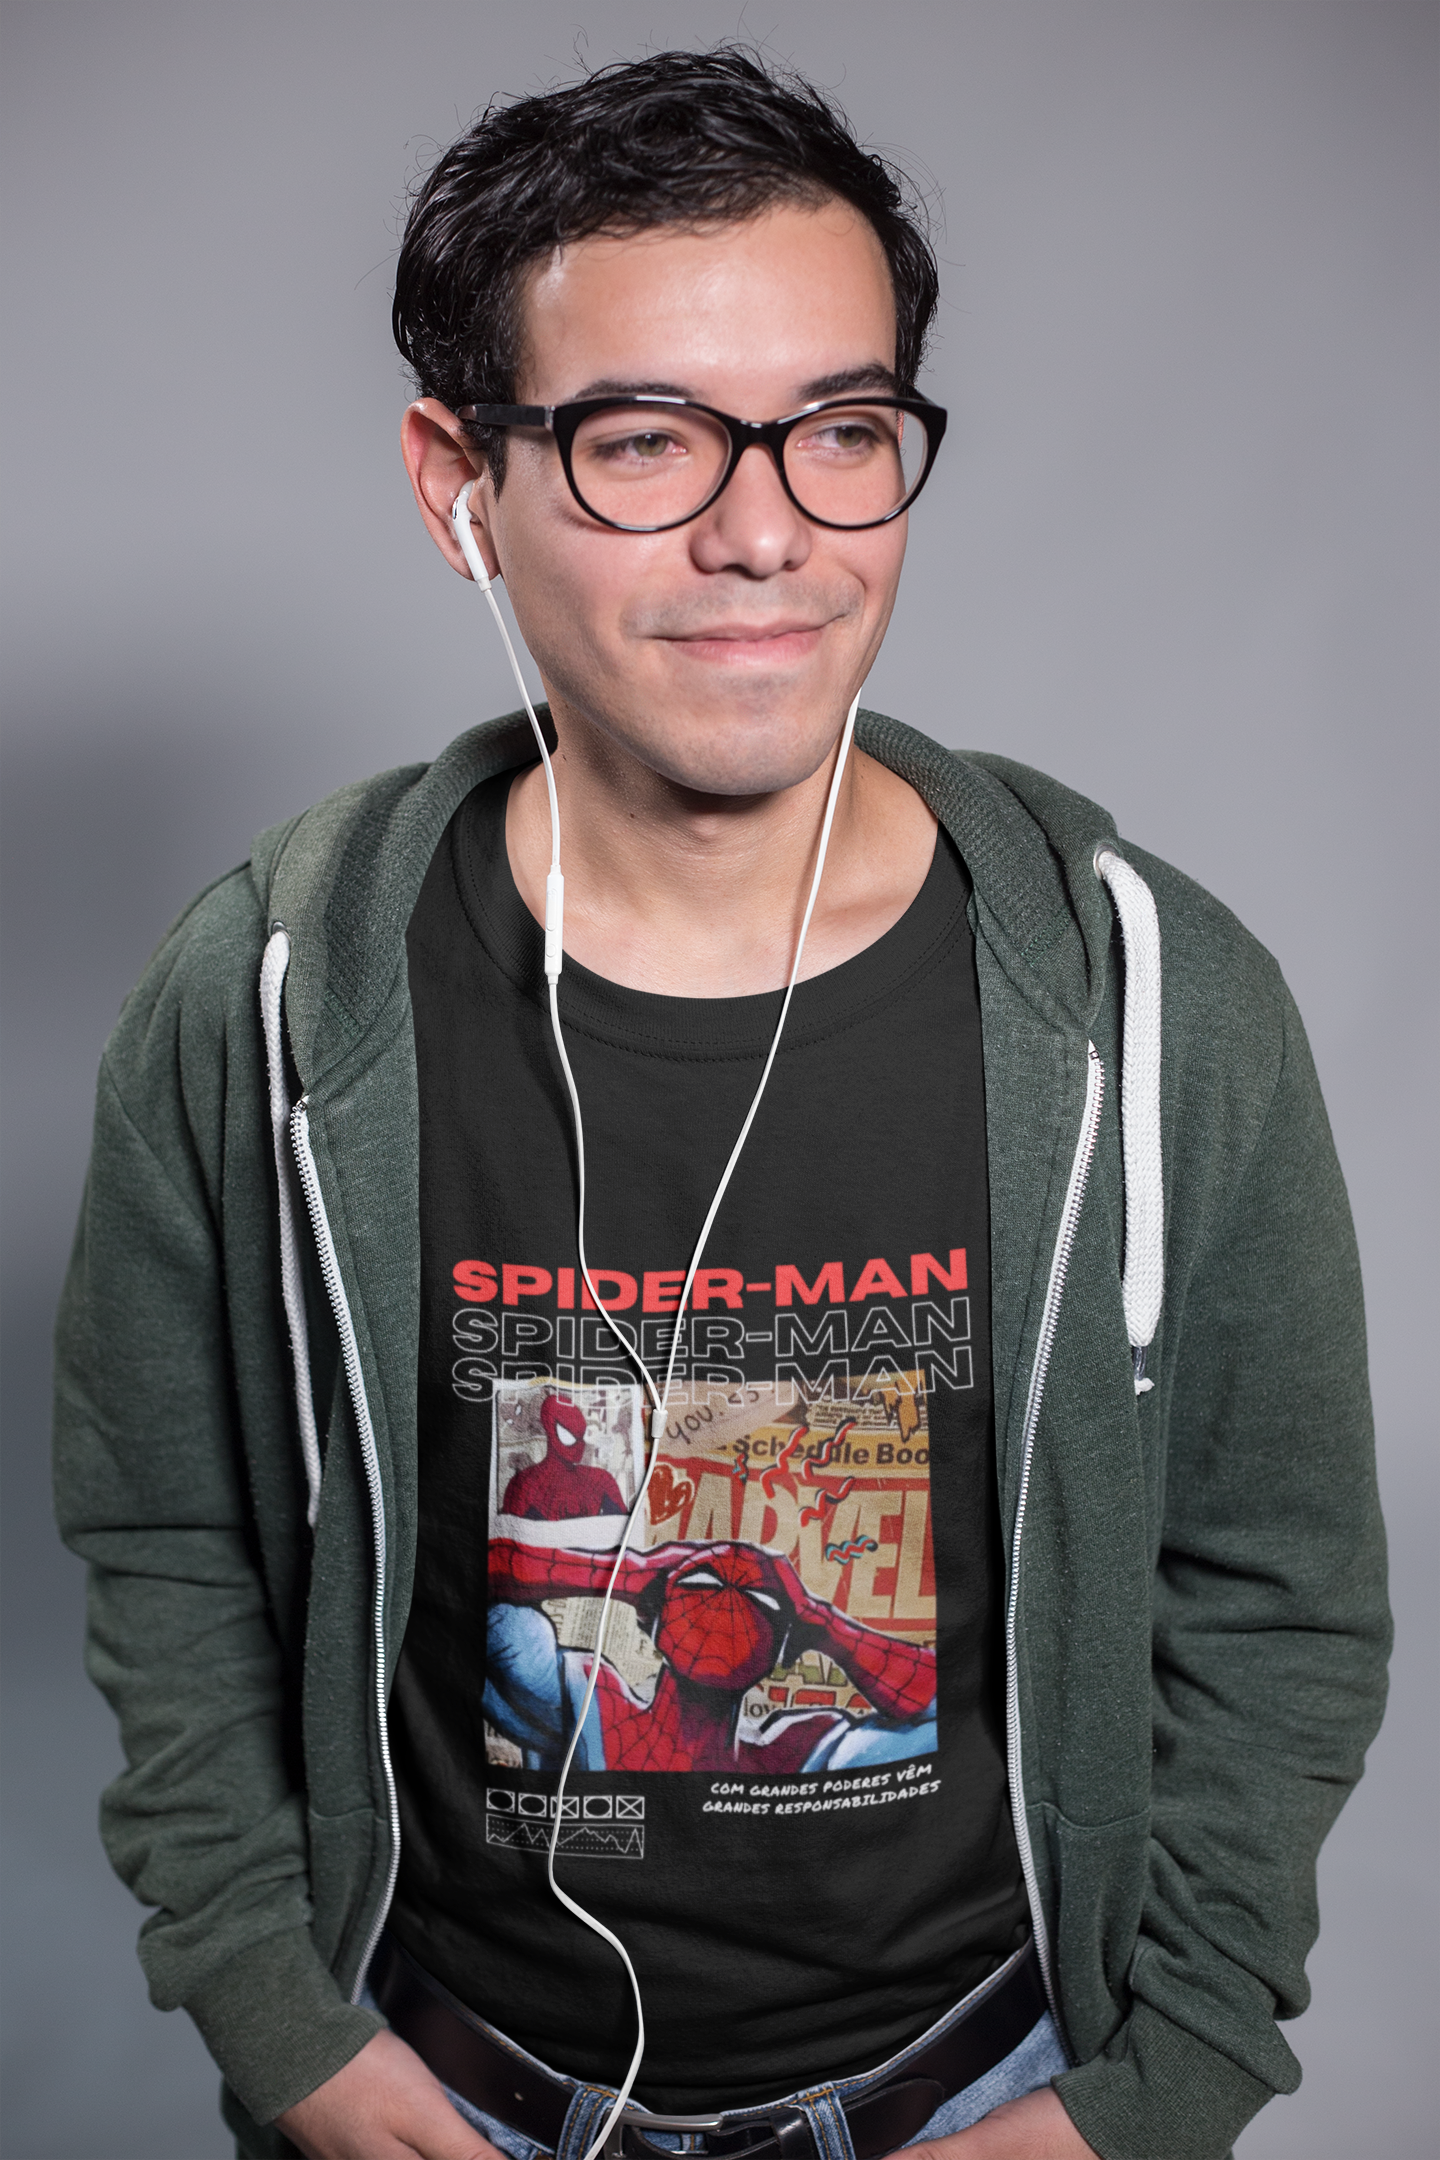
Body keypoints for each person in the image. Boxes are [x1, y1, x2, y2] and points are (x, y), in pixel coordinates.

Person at [52, 46, 1389, 2160]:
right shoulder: (268, 998)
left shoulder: (1154, 1002)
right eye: (645, 441)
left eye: (843, 432)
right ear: (457, 483)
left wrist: (1160, 2091)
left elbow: (1280, 1591)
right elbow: (169, 1537)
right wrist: (281, 2026)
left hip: (987, 2093)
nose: (766, 533)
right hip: (443, 2093)